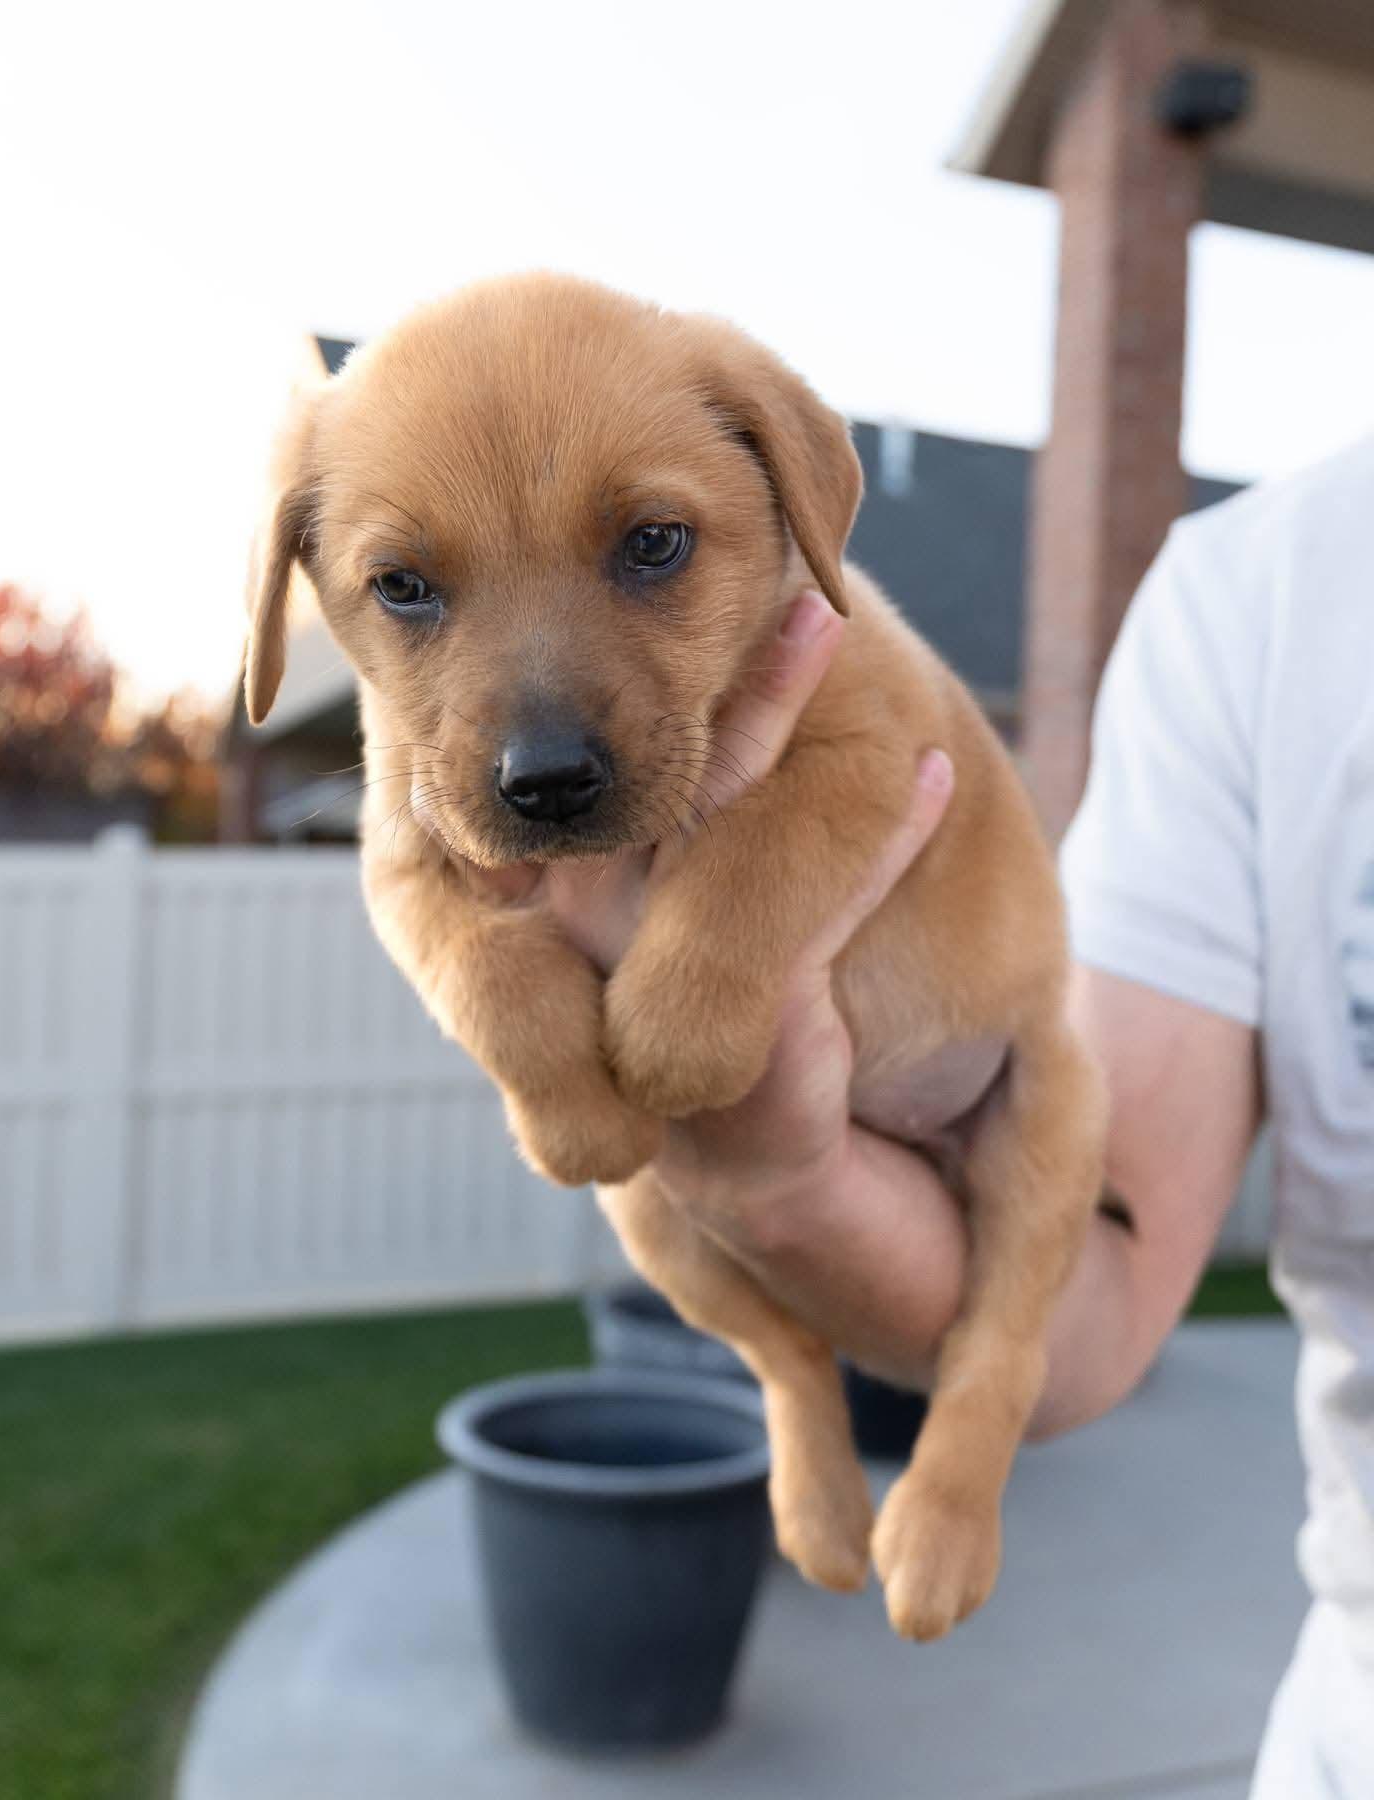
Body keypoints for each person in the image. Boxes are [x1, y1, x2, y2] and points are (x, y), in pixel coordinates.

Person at [469, 434, 1374, 1795]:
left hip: (981, 1057)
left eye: (650, 547)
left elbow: (877, 764)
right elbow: (1107, 1259)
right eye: (409, 586)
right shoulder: (1269, 597)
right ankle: (792, 1389)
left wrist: (704, 985)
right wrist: (785, 1179)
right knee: (644, 1199)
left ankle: (932, 1445)